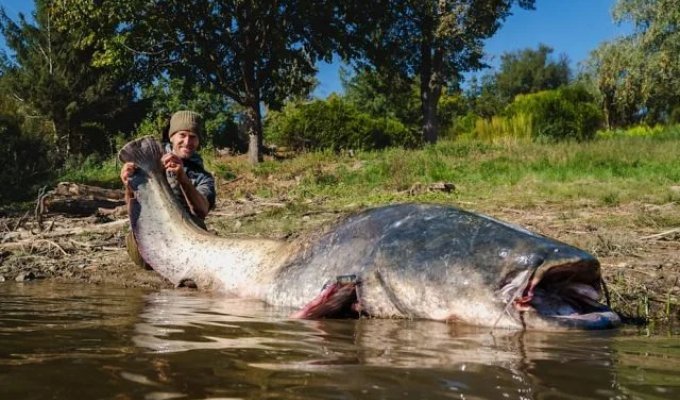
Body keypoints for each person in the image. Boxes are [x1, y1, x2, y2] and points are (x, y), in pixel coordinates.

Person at [120, 110, 216, 268]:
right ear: (172, 137)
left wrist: (183, 178)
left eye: (193, 137)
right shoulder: (148, 165)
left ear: (198, 142)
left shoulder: (203, 177)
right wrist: (129, 186)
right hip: (152, 234)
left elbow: (202, 210)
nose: (187, 141)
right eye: (182, 135)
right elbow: (133, 209)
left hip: (187, 236)